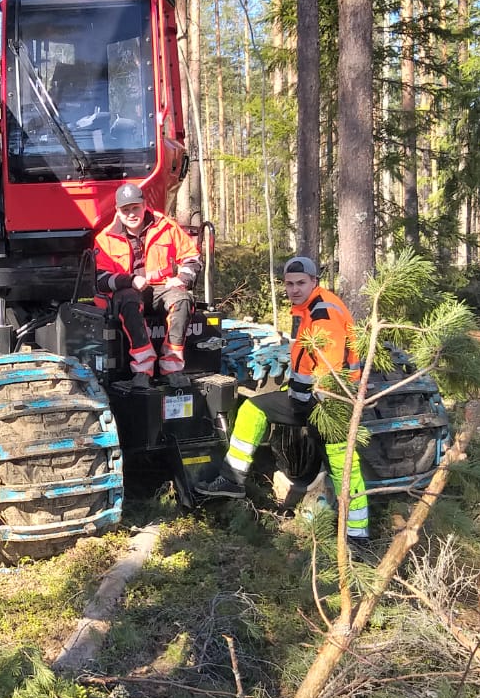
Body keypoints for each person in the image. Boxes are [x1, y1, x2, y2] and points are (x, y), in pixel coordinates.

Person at [196, 256, 369, 545]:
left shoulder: (323, 312)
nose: (294, 289)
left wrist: (301, 398)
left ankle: (357, 536)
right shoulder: (313, 306)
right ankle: (233, 479)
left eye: (301, 283)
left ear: (315, 281)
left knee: (341, 463)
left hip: (329, 401)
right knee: (256, 409)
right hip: (325, 397)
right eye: (289, 284)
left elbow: (325, 364)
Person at [94, 181, 202, 388]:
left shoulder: (167, 227)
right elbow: (101, 279)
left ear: (144, 205)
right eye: (126, 210)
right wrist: (130, 280)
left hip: (162, 289)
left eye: (135, 207)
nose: (132, 214)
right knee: (127, 299)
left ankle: (172, 368)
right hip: (129, 293)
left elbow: (192, 258)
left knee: (182, 299)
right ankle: (142, 370)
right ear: (118, 211)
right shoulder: (105, 238)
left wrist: (182, 280)